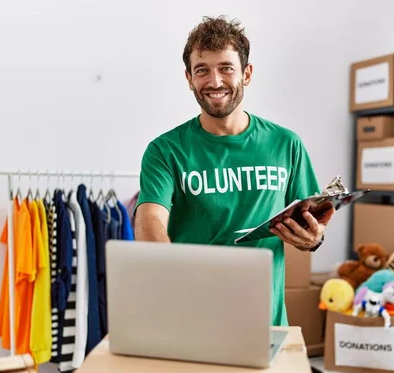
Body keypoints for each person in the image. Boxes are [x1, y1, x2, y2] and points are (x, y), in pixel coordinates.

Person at [133, 15, 335, 326]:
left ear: (247, 73)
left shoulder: (286, 144)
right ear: (189, 78)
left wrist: (313, 239)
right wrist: (171, 276)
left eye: (226, 68)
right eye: (202, 70)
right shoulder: (165, 150)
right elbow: (150, 220)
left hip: (264, 321)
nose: (214, 82)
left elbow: (309, 220)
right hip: (190, 318)